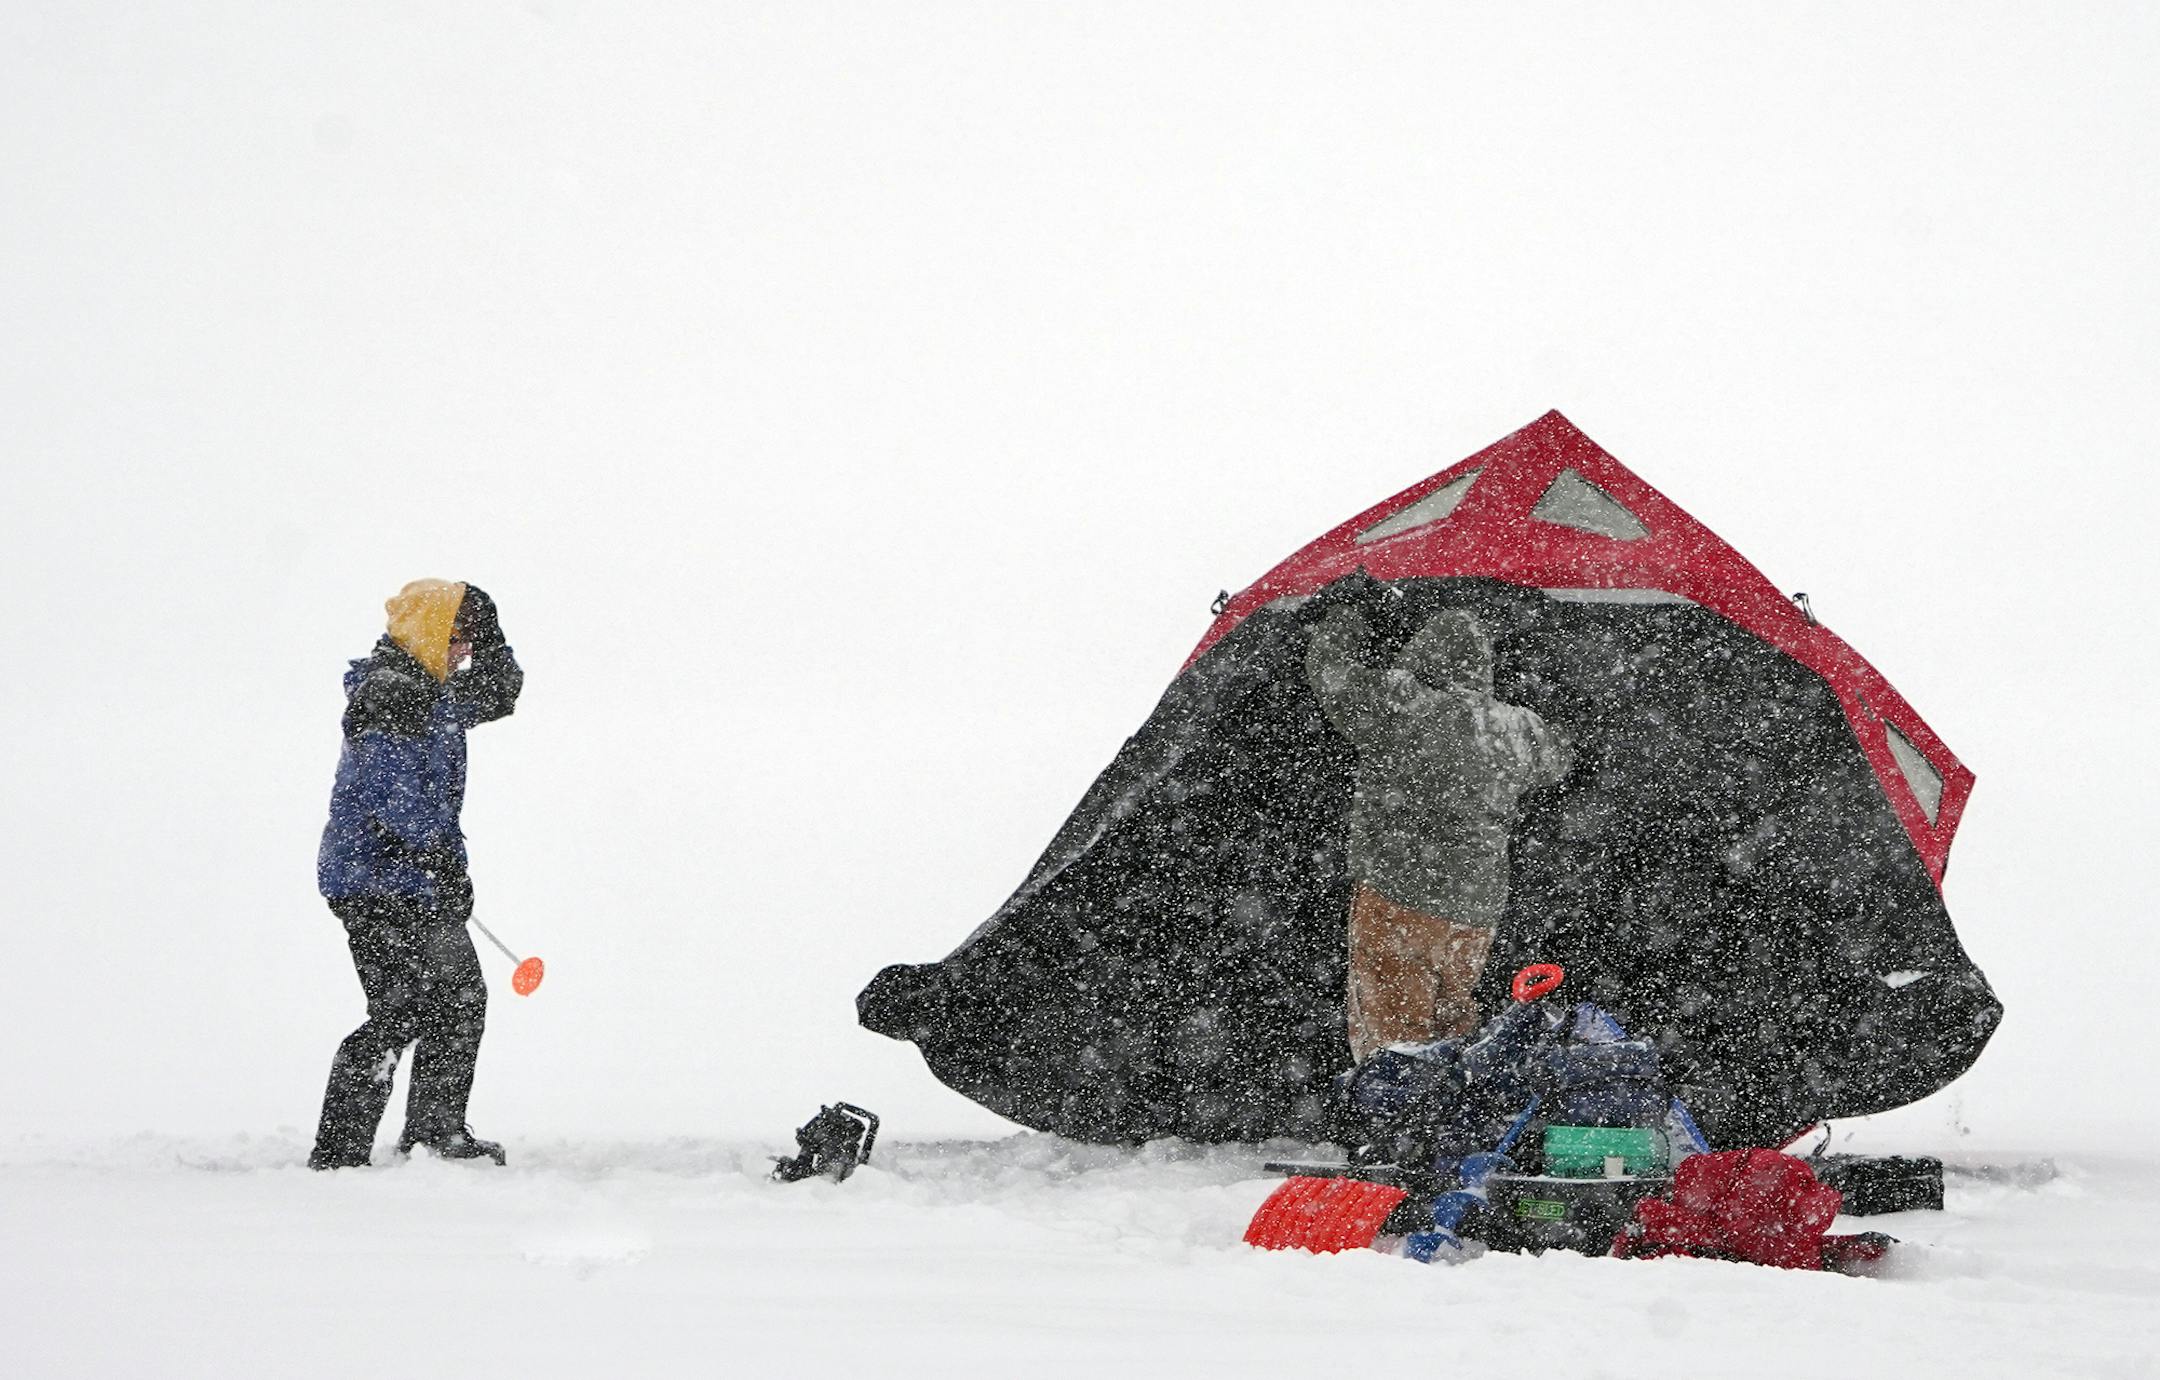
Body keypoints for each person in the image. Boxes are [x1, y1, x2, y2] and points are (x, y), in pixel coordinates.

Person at [308, 580, 523, 1170]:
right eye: (456, 638)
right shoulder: (390, 692)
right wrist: (441, 859)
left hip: (413, 879)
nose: (463, 653)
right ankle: (341, 1152)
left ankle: (433, 1135)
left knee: (453, 1002)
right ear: (426, 631)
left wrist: (490, 633)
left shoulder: (432, 691)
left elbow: (501, 692)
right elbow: (391, 790)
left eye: (469, 642)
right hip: (377, 879)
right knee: (405, 1009)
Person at [1305, 603, 1571, 1061]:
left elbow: (1329, 672)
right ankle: (1448, 1123)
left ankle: (1400, 1125)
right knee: (1455, 1026)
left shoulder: (1400, 702)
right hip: (1476, 909)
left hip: (1398, 894)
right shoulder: (1514, 727)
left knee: (1392, 1038)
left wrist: (1345, 614)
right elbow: (1559, 759)